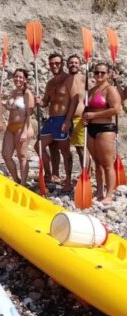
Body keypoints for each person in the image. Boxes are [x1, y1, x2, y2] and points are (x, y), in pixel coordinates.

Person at [35, 53, 78, 191]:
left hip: (62, 119)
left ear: (62, 63)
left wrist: (67, 120)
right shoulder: (50, 83)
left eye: (57, 63)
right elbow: (46, 102)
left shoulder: (68, 79)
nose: (54, 65)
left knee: (65, 152)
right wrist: (39, 102)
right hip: (51, 120)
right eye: (52, 63)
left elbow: (75, 100)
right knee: (38, 146)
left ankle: (68, 180)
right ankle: (49, 175)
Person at [83, 62, 122, 204]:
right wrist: (84, 116)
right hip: (91, 129)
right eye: (96, 72)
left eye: (102, 73)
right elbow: (86, 109)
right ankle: (99, 190)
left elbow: (116, 109)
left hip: (105, 128)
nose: (99, 75)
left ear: (108, 74)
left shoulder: (110, 89)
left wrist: (93, 116)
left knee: (107, 164)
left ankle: (109, 194)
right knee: (97, 162)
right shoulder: (91, 90)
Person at [1, 69, 34, 186]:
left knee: (22, 156)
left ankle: (23, 184)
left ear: (25, 79)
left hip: (22, 127)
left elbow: (29, 114)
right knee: (6, 154)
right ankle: (16, 179)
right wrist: (5, 105)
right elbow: (13, 108)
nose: (17, 79)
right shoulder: (13, 92)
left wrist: (25, 132)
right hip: (11, 127)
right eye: (16, 77)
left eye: (20, 77)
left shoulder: (27, 93)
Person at [67, 54, 90, 171]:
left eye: (76, 62)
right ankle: (85, 172)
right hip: (67, 119)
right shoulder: (65, 80)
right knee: (77, 148)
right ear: (67, 65)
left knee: (82, 148)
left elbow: (94, 95)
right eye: (71, 62)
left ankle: (87, 175)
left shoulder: (84, 79)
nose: (73, 65)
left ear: (79, 65)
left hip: (80, 119)